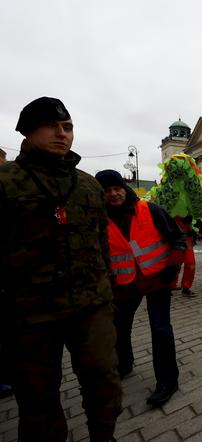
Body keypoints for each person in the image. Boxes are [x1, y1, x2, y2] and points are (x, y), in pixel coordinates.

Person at [0, 97, 122, 441]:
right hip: (29, 312)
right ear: (26, 131)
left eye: (68, 127)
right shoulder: (6, 181)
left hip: (91, 305)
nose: (62, 133)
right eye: (51, 126)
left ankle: (104, 436)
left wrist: (107, 292)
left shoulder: (87, 184)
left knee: (104, 381)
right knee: (37, 397)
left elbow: (102, 244)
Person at [95, 169, 185, 408]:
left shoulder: (150, 210)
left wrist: (173, 265)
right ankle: (124, 364)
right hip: (124, 285)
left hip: (157, 280)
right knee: (119, 327)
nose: (113, 194)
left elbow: (178, 238)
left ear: (124, 188)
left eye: (117, 188)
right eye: (107, 191)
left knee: (161, 329)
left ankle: (167, 381)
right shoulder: (98, 219)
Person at [173, 215, 197, 297]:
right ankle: (170, 285)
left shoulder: (189, 211)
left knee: (191, 263)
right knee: (174, 264)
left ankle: (186, 287)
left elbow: (189, 229)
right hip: (174, 242)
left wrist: (191, 231)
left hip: (187, 242)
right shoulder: (170, 211)